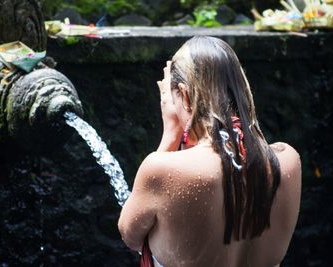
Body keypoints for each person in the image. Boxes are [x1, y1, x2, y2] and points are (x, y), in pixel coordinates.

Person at [118, 36, 301, 267]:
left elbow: (130, 235)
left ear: (184, 95)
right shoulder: (287, 161)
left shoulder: (161, 169)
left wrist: (171, 136)